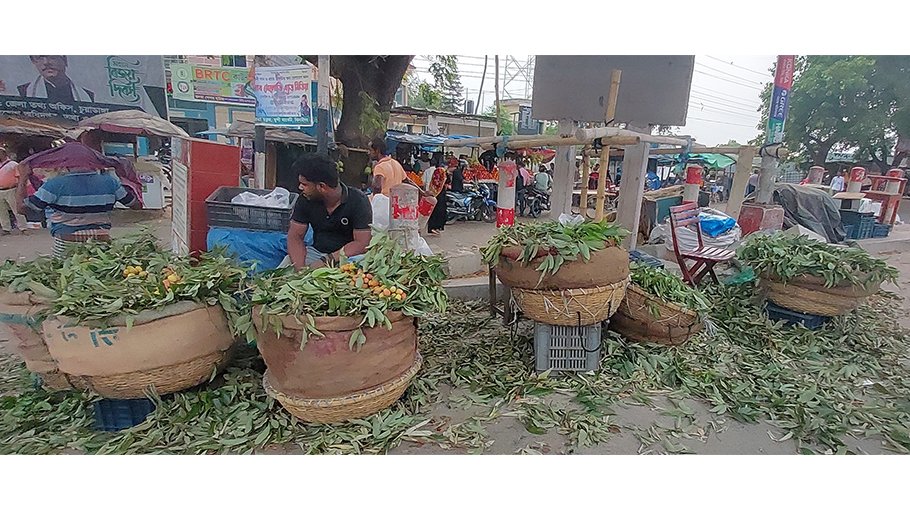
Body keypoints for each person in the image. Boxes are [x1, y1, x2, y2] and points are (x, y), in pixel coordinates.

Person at [23, 162, 141, 258]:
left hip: (66, 242)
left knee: (62, 277)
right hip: (100, 242)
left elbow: (25, 209)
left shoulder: (54, 185)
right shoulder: (110, 182)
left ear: (66, 165)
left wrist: (23, 178)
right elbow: (135, 205)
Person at [287, 153, 372, 269]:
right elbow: (295, 236)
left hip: (348, 258)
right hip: (316, 253)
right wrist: (300, 270)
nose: (300, 188)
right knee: (284, 272)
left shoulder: (358, 201)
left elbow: (362, 244)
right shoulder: (305, 199)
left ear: (322, 186)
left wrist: (327, 260)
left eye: (304, 184)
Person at [18, 56, 95, 102]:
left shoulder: (87, 96)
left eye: (52, 57)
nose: (46, 62)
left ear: (65, 59)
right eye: (40, 58)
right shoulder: (23, 92)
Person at [0, 148, 29, 235]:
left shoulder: (13, 164)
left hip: (11, 189)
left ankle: (23, 228)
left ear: (4, 154)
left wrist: (20, 190)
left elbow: (20, 177)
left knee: (16, 209)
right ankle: (6, 228)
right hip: (0, 190)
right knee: (1, 210)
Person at [426, 163, 448, 236]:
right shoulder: (436, 188)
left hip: (441, 195)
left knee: (440, 211)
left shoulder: (437, 187)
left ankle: (437, 227)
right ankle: (433, 228)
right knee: (436, 211)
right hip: (438, 196)